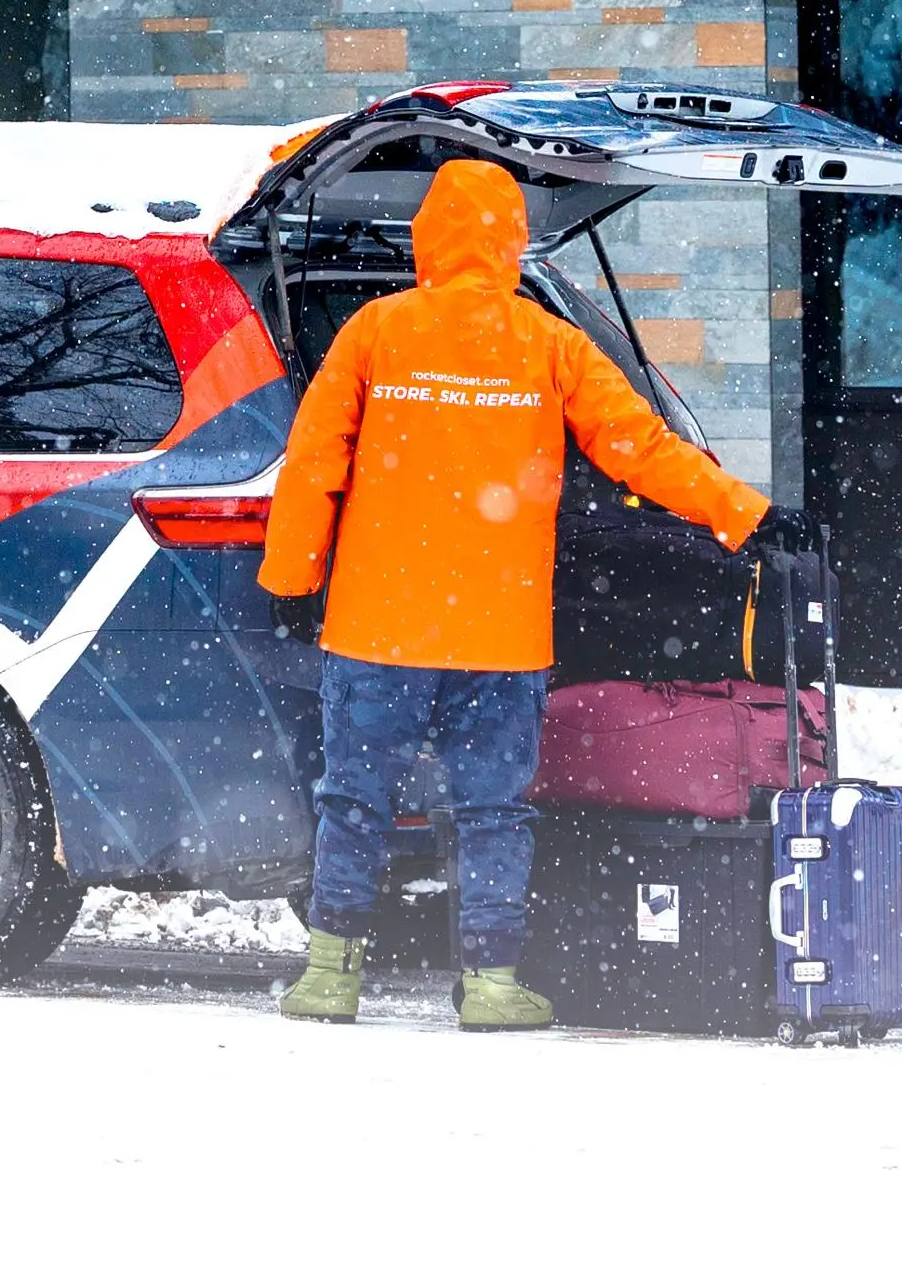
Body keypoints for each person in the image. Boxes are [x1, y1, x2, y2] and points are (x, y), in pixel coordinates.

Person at [257, 154, 811, 1029]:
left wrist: (292, 579)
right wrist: (745, 514)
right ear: (512, 241)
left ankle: (330, 974)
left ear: (426, 238)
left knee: (353, 799)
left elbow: (312, 465)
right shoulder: (545, 343)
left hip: (377, 626)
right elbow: (640, 448)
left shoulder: (374, 331)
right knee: (492, 811)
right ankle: (490, 983)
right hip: (498, 635)